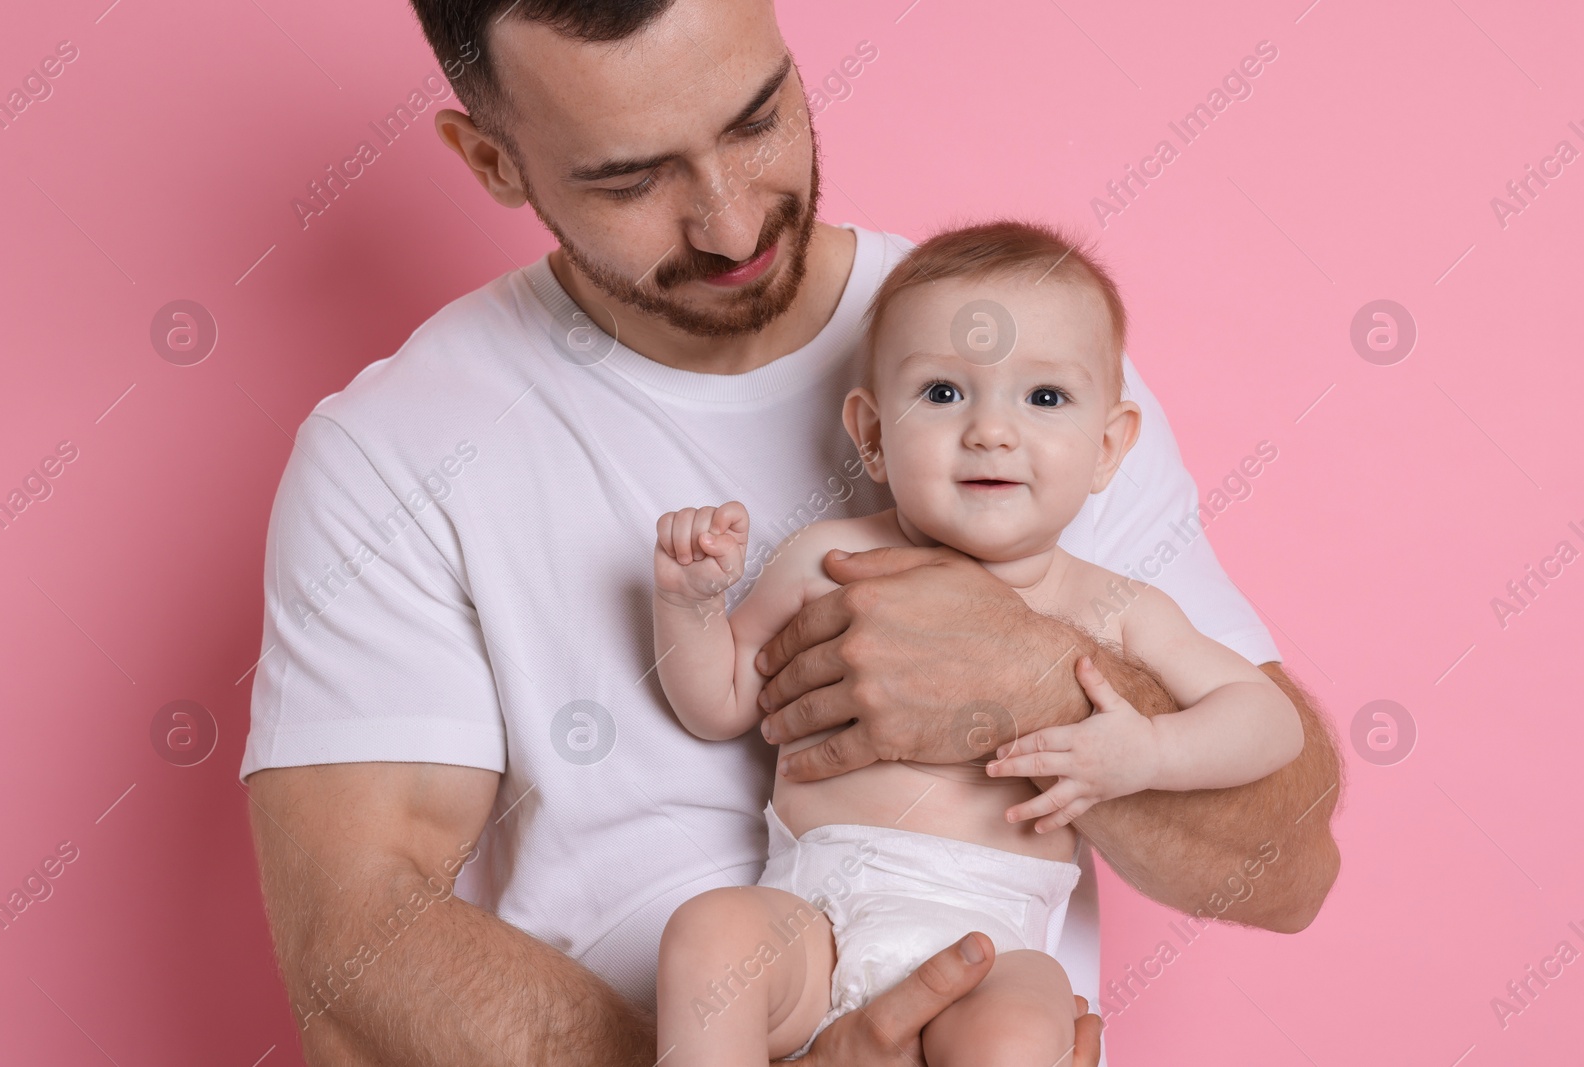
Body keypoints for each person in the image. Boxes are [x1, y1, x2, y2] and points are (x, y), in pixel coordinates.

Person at [240, 2, 1342, 1064]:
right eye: (630, 175)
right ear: (495, 163)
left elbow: (1285, 866)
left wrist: (1036, 677)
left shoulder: (1025, 356)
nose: (728, 223)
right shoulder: (392, 451)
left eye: (757, 117)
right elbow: (355, 964)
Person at [649, 221, 1305, 1065]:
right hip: (811, 920)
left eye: (1044, 398)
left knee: (1022, 1034)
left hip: (988, 942)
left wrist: (1149, 751)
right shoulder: (827, 559)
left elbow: (1268, 719)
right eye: (945, 393)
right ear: (873, 433)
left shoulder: (1112, 608)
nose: (991, 431)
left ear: (1107, 448)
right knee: (708, 935)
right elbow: (720, 700)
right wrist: (691, 606)